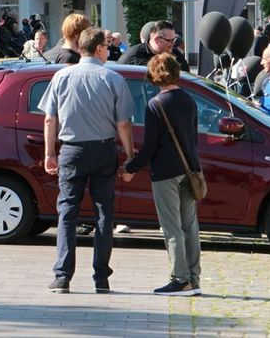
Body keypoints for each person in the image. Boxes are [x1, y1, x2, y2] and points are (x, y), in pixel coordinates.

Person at [39, 27, 134, 294]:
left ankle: (62, 276)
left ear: (80, 49)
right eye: (106, 46)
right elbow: (124, 123)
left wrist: (49, 152)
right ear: (101, 49)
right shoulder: (113, 79)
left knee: (68, 212)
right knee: (105, 213)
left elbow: (49, 119)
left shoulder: (61, 77)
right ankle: (101, 277)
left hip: (71, 150)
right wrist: (130, 155)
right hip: (104, 150)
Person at [122, 53, 202, 296]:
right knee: (190, 226)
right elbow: (193, 138)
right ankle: (194, 278)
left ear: (154, 75)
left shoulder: (156, 104)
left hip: (165, 172)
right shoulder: (189, 100)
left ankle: (180, 279)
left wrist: (131, 168)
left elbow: (150, 147)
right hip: (190, 170)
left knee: (171, 227)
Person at [118, 20, 187, 72]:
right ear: (157, 40)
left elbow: (186, 79)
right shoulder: (133, 57)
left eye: (174, 40)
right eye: (170, 41)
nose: (173, 44)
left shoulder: (176, 56)